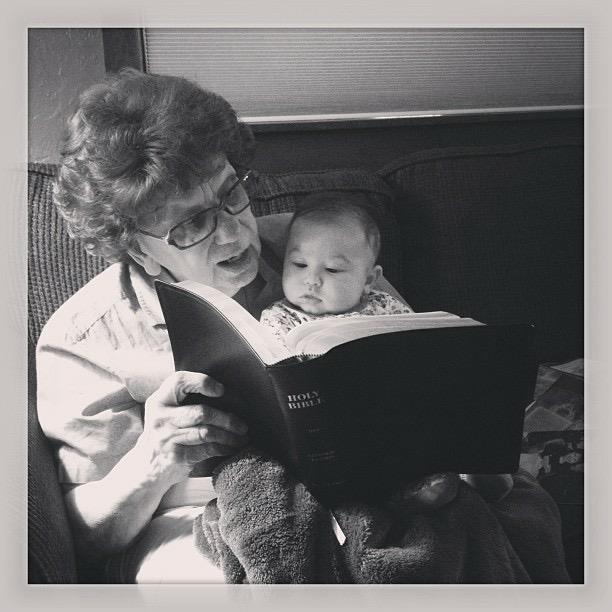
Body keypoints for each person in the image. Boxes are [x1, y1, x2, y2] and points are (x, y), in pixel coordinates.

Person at [36, 68, 454, 583]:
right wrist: (153, 461)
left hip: (365, 491)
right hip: (197, 516)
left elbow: (421, 359)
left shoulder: (318, 250)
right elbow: (82, 538)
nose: (233, 233)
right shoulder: (84, 338)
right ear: (138, 249)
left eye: (231, 193)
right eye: (191, 224)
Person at [260, 191, 413, 345]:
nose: (312, 280)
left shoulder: (386, 306)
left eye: (332, 269)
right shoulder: (278, 320)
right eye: (300, 264)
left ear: (368, 280)